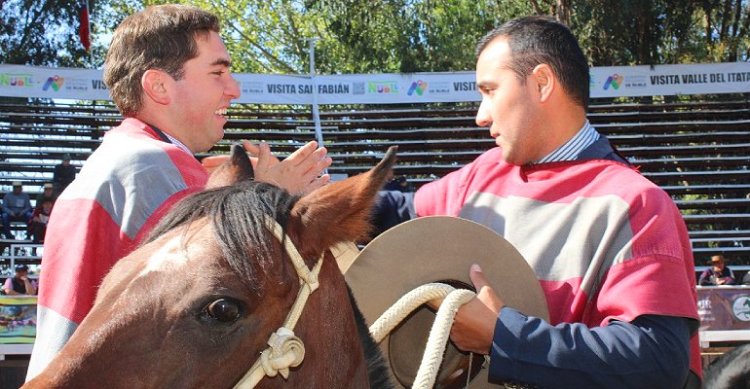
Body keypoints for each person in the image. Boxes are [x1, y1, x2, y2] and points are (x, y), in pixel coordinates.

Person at [379, 16, 700, 387]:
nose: (480, 116)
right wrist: (303, 200)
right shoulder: (481, 174)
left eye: (490, 91)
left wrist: (504, 337)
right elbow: (400, 214)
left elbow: (656, 360)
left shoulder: (636, 203)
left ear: (542, 83)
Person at [27, 4, 332, 379]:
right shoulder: (154, 167)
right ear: (158, 86)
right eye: (218, 72)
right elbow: (217, 289)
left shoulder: (125, 159)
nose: (234, 89)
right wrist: (270, 203)